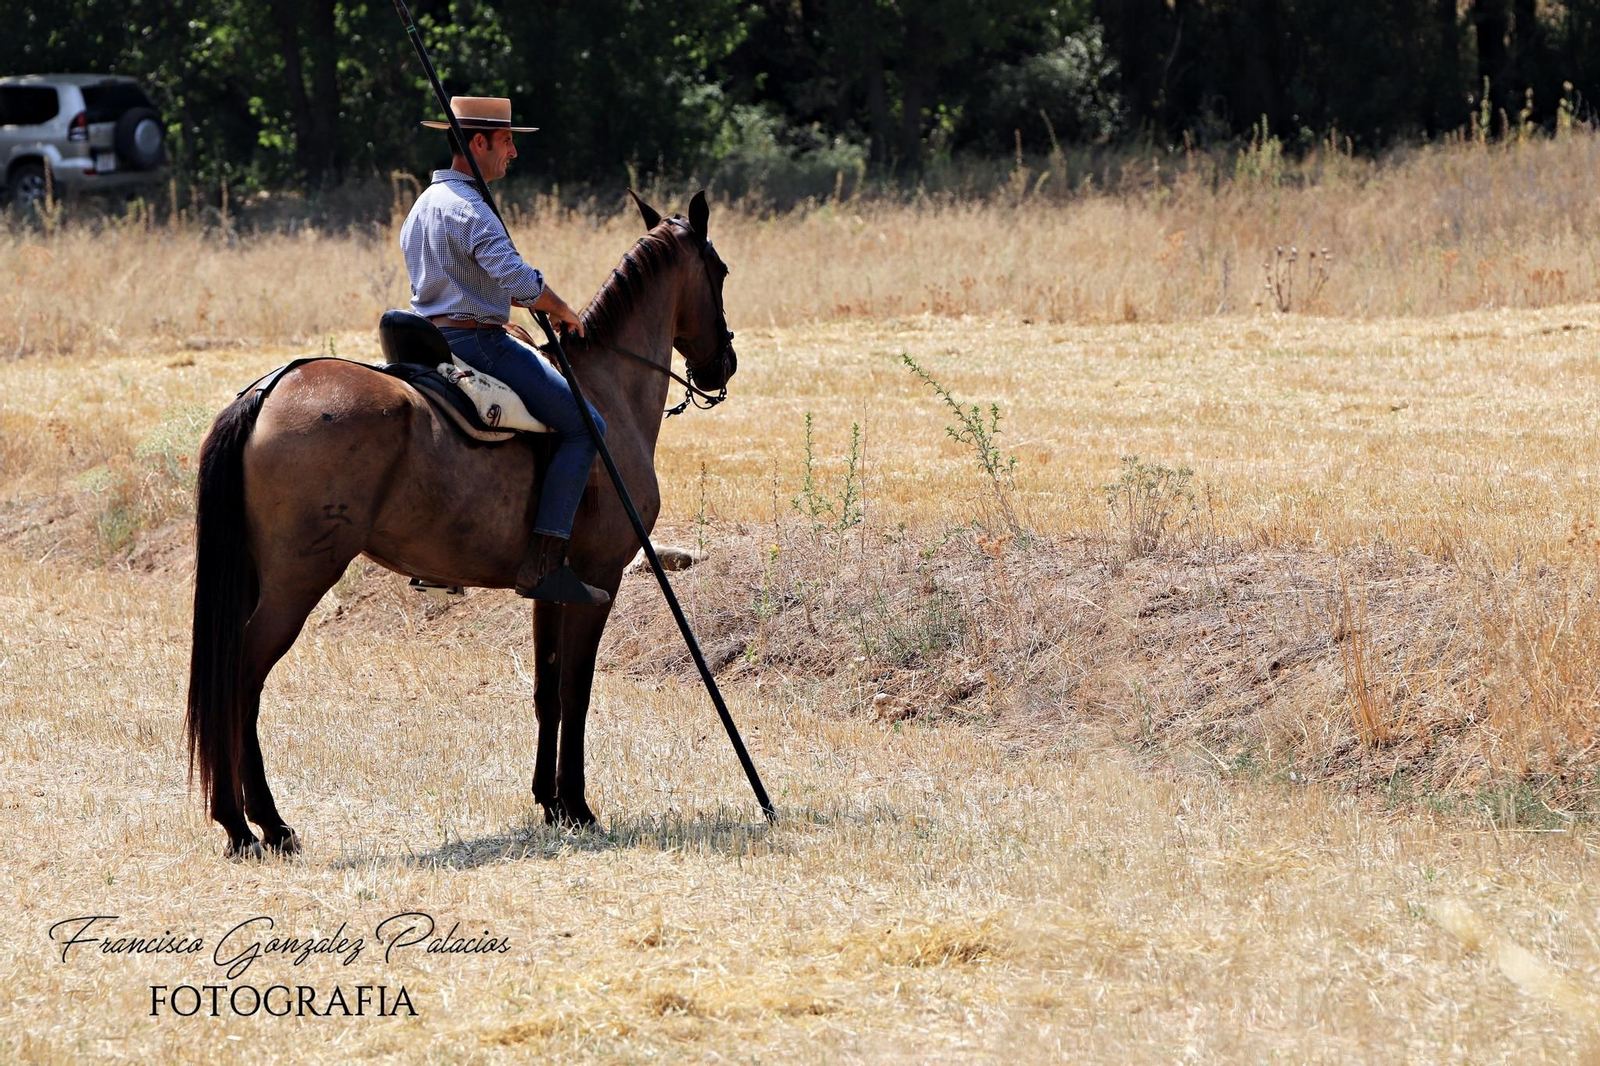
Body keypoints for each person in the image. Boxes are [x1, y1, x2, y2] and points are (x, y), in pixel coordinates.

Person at [400, 96, 609, 606]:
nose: (513, 152)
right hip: (477, 343)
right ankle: (544, 562)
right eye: (508, 140)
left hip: (427, 338)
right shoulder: (470, 207)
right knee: (588, 427)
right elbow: (516, 279)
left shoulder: (424, 203)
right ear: (478, 142)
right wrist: (562, 309)